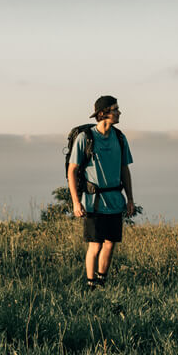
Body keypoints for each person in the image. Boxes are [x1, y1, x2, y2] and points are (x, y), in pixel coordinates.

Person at [68, 95, 135, 290]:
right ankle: (91, 285)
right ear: (104, 113)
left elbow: (124, 169)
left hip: (114, 199)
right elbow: (72, 170)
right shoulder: (85, 138)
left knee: (110, 243)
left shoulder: (120, 138)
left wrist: (130, 199)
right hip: (92, 201)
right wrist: (76, 202)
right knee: (95, 245)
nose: (119, 112)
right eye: (115, 109)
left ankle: (101, 283)